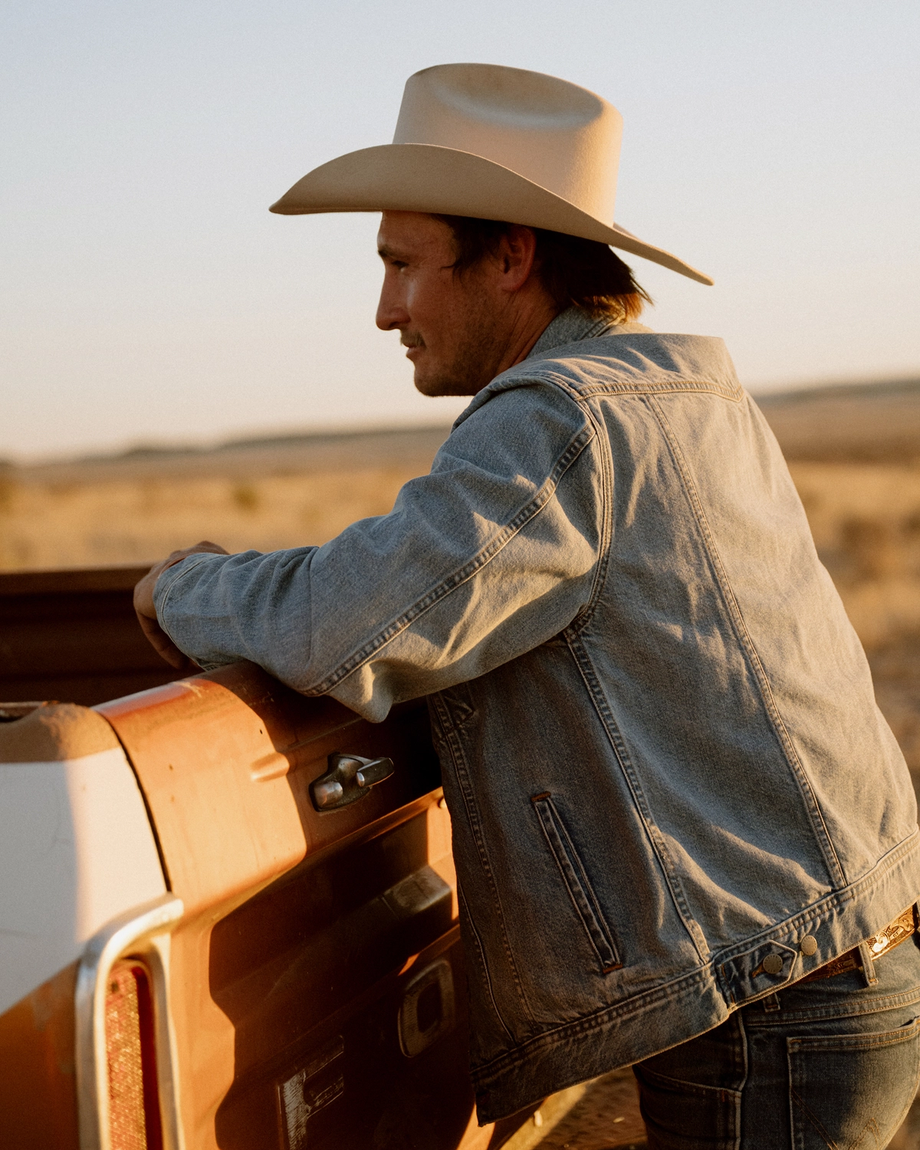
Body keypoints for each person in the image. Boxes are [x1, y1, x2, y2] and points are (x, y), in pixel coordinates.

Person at [134, 64, 920, 1148]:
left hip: (768, 1012)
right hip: (827, 969)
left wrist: (180, 588)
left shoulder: (560, 418)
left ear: (509, 255)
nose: (382, 310)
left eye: (402, 265)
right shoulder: (669, 386)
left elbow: (354, 620)